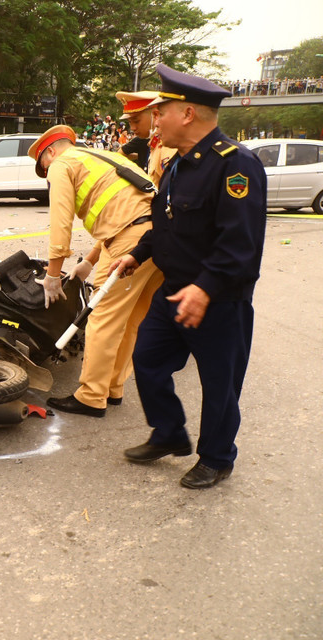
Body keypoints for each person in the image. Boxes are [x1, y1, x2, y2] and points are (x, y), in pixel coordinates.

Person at [112, 64, 267, 489]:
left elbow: (241, 245)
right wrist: (138, 255)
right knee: (147, 361)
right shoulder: (181, 163)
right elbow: (167, 222)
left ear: (188, 114)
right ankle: (169, 433)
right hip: (175, 290)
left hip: (219, 299)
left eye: (162, 110)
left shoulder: (235, 167)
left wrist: (205, 288)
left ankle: (217, 458)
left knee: (220, 384)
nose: (154, 117)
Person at [27, 124, 164, 417]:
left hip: (130, 243)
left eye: (43, 166)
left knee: (101, 315)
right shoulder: (100, 156)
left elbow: (61, 224)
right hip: (160, 238)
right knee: (129, 319)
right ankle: (112, 387)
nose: (46, 173)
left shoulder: (61, 165)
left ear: (50, 152)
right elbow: (124, 211)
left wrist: (53, 275)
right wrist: (89, 260)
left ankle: (91, 396)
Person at [116, 90, 176, 186]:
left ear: (155, 115)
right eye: (130, 122)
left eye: (136, 121)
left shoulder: (168, 146)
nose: (132, 128)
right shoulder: (154, 143)